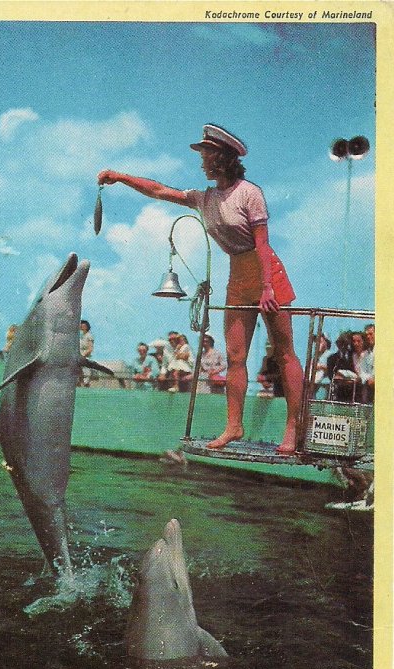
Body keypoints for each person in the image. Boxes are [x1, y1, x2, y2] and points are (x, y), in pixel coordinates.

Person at [98, 123, 303, 453]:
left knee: (284, 352)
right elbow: (159, 191)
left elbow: (263, 246)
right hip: (238, 275)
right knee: (236, 356)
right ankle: (233, 426)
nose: (202, 163)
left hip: (269, 274)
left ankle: (294, 427)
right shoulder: (204, 199)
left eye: (206, 156)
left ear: (222, 159)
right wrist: (121, 177)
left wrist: (267, 287)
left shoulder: (250, 193)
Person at [326, 332, 356, 401]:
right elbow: (331, 375)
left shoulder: (354, 356)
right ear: (337, 344)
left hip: (354, 393)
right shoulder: (332, 359)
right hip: (338, 393)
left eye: (345, 343)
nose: (343, 345)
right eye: (341, 343)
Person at [351, 331, 374, 403]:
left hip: (369, 386)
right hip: (358, 387)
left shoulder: (369, 354)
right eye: (354, 341)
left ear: (363, 342)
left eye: (359, 341)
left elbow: (371, 373)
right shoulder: (353, 356)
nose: (356, 344)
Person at [311, 333, 331, 399]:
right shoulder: (315, 356)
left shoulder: (330, 355)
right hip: (313, 386)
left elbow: (333, 369)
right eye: (315, 342)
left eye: (319, 342)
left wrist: (320, 367)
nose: (316, 344)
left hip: (324, 385)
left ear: (326, 343)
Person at [78, 319, 94, 387]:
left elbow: (90, 349)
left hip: (85, 358)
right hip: (79, 358)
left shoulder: (89, 336)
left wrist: (83, 355)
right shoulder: (81, 336)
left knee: (86, 377)